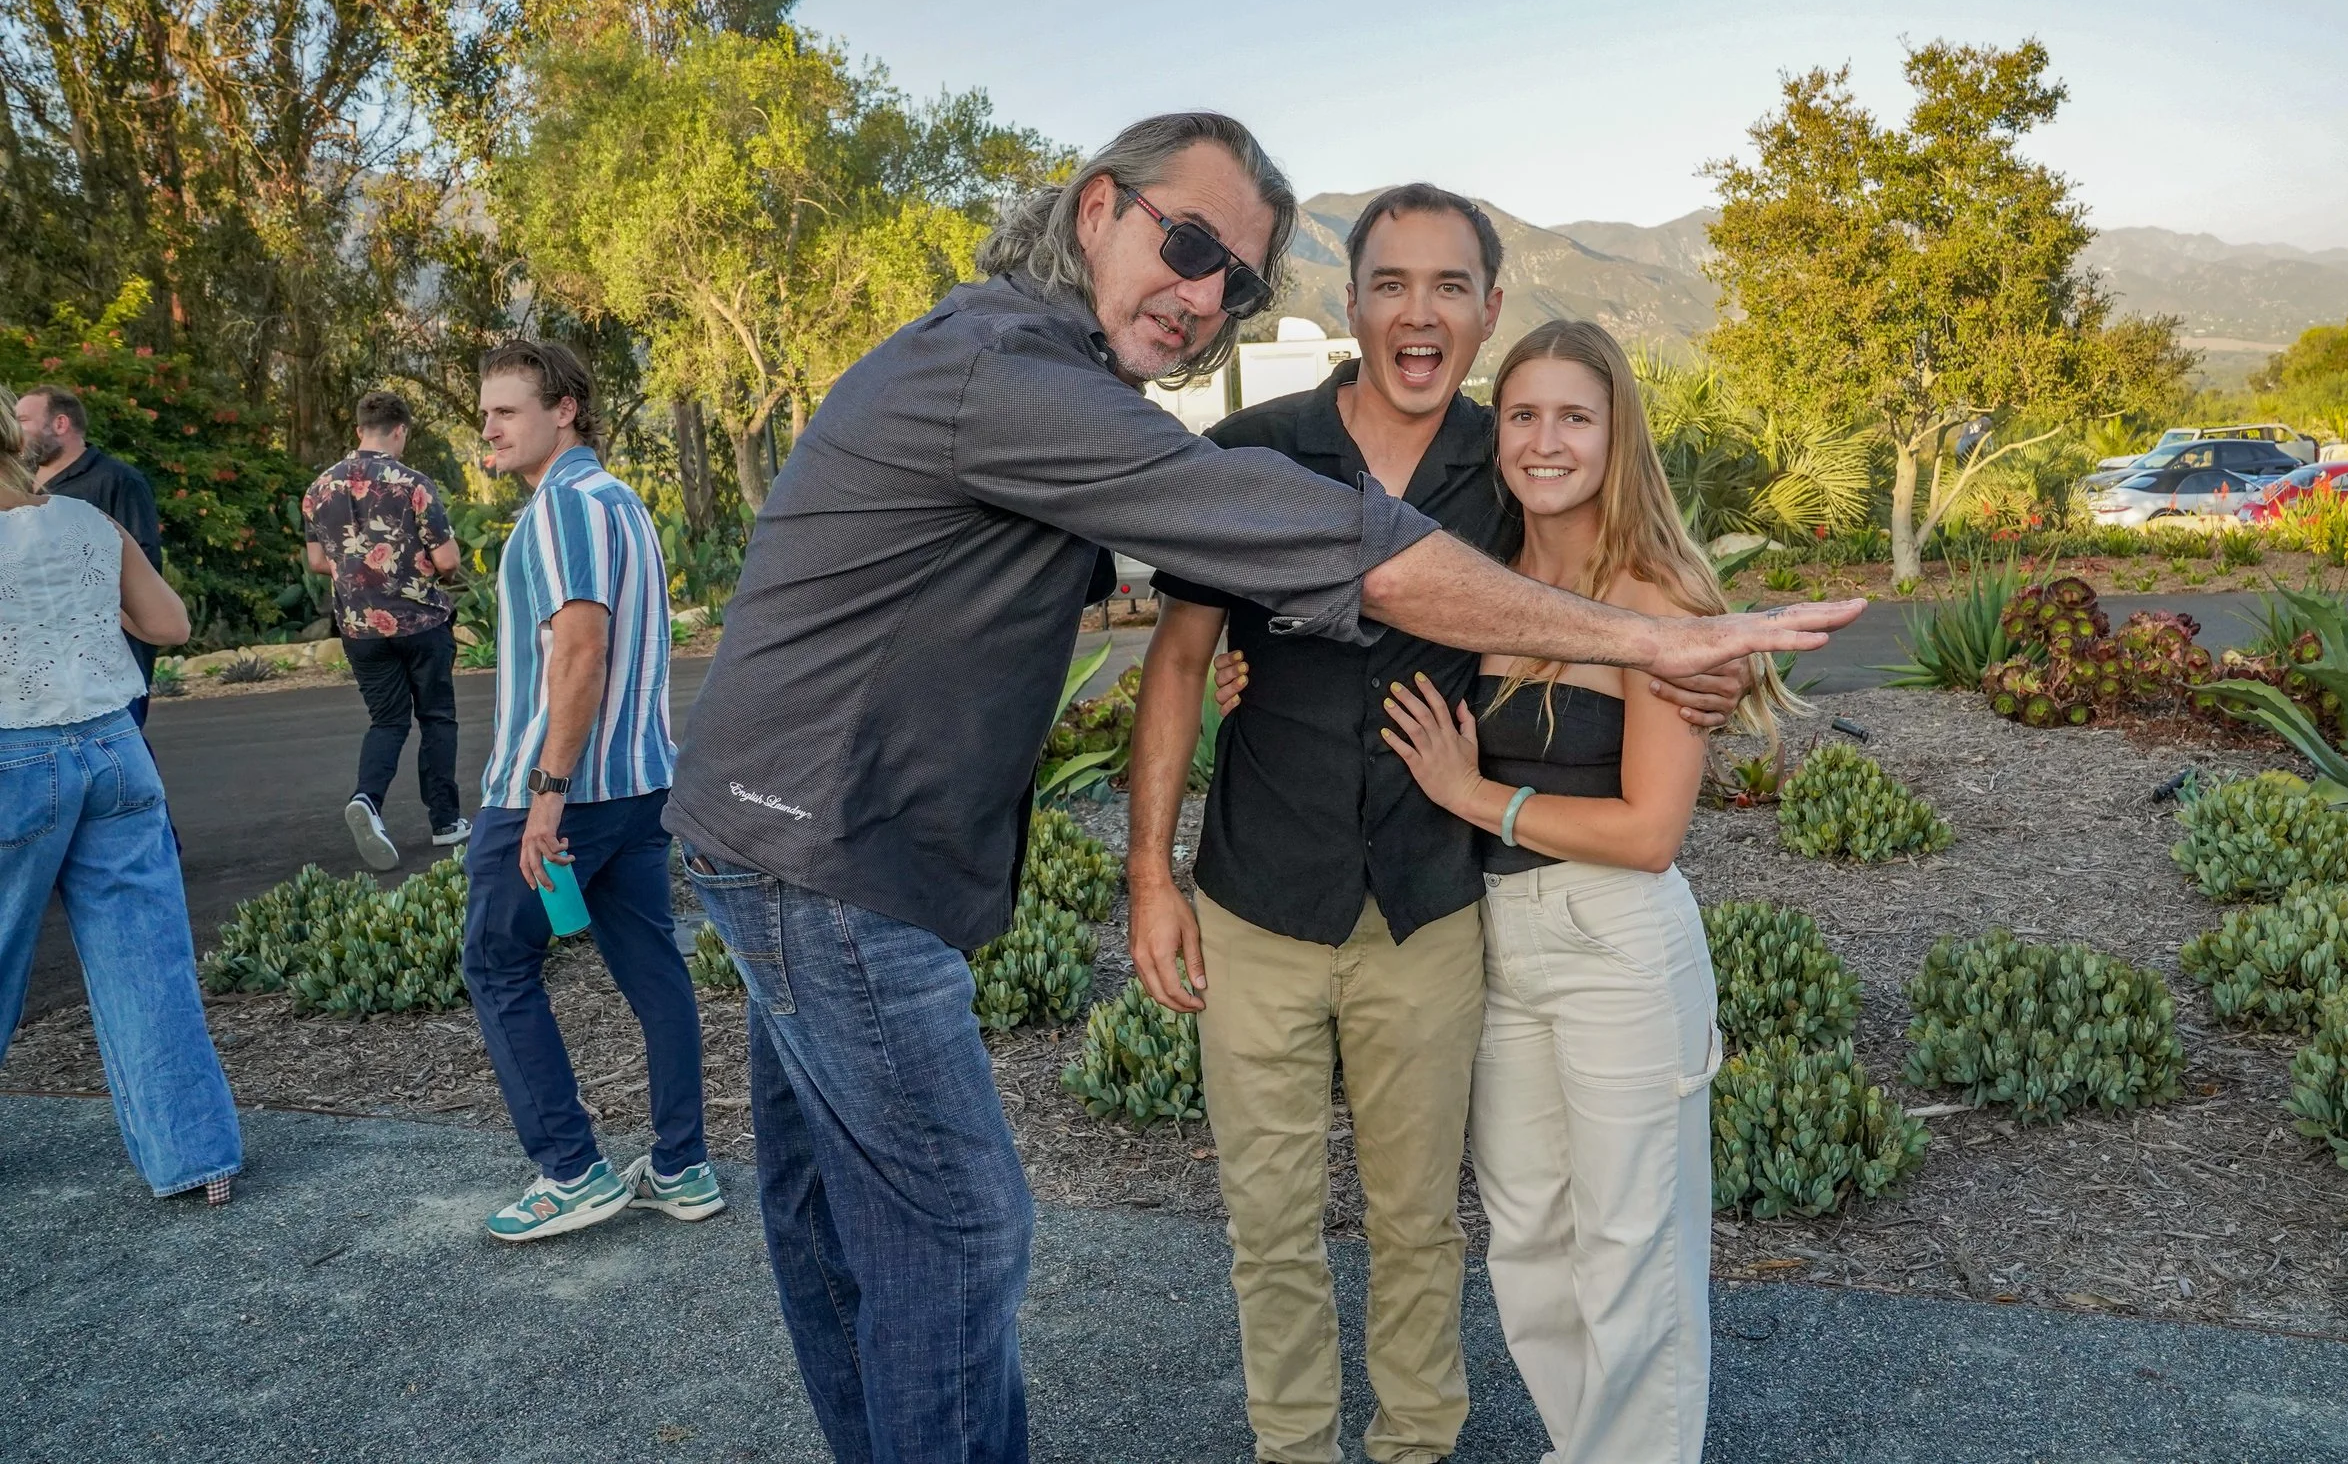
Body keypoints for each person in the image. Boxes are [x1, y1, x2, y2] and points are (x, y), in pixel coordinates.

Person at [663, 110, 1861, 1464]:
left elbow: (1587, 565)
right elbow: (1323, 561)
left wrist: (1669, 658)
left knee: (840, 1217)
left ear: (1487, 309)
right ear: (1100, 206)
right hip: (834, 849)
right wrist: (1651, 644)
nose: (1201, 296)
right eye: (1186, 245)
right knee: (957, 1221)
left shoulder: (1456, 442)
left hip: (814, 836)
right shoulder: (1016, 371)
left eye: (1233, 281)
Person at [1128, 184, 1553, 1464]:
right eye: (1391, 283)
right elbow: (1180, 657)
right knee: (1267, 1220)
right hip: (1256, 898)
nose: (1418, 313)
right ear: (1351, 302)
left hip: (1426, 907)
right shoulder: (1251, 452)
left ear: (1486, 310)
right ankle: (1293, 1448)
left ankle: (1417, 1445)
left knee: (1420, 1221)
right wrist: (1150, 874)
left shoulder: (1513, 472)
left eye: (1448, 287)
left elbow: (1593, 606)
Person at [1378, 321, 1796, 1464]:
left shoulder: (1654, 592)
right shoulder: (1482, 575)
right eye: (1521, 414)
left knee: (1630, 1249)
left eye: (1574, 415)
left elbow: (1650, 832)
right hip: (1496, 941)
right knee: (1527, 1238)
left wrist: (1477, 798)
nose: (1544, 439)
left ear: (1617, 435)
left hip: (1614, 941)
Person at [461, 339, 719, 1242]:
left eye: (506, 409)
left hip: (560, 791)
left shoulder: (564, 507)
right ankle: (682, 1165)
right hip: (640, 783)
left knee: (495, 964)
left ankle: (571, 1170)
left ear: (564, 407)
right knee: (654, 970)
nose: (487, 426)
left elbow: (579, 650)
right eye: (485, 410)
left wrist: (544, 795)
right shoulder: (623, 504)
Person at [0, 384, 242, 1203]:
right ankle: (196, 1158)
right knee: (146, 958)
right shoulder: (85, 520)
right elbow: (169, 624)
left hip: (11, 758)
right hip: (114, 746)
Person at [302, 390, 470, 870]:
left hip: (360, 629)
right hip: (421, 622)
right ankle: (445, 822)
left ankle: (367, 800)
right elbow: (448, 559)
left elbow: (318, 560)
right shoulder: (413, 484)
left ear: (359, 430)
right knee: (436, 717)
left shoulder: (319, 489)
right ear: (400, 431)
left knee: (387, 721)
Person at [15, 384, 166, 725]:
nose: (14, 430)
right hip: (44, 660)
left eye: (23, 419)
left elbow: (143, 565)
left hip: (109, 657)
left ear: (61, 424)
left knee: (120, 753)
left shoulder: (118, 480)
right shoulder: (20, 490)